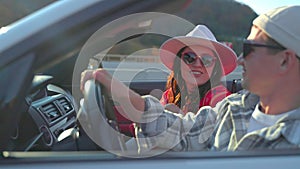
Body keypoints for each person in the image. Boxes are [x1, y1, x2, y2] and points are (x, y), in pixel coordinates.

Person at [81, 5, 300, 152]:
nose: (241, 59)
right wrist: (122, 93)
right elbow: (181, 132)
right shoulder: (233, 108)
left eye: (250, 49)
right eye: (188, 57)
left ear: (284, 60)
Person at [158, 25, 237, 114]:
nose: (197, 64)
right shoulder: (169, 96)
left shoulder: (220, 98)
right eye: (189, 57)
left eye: (206, 60)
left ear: (215, 67)